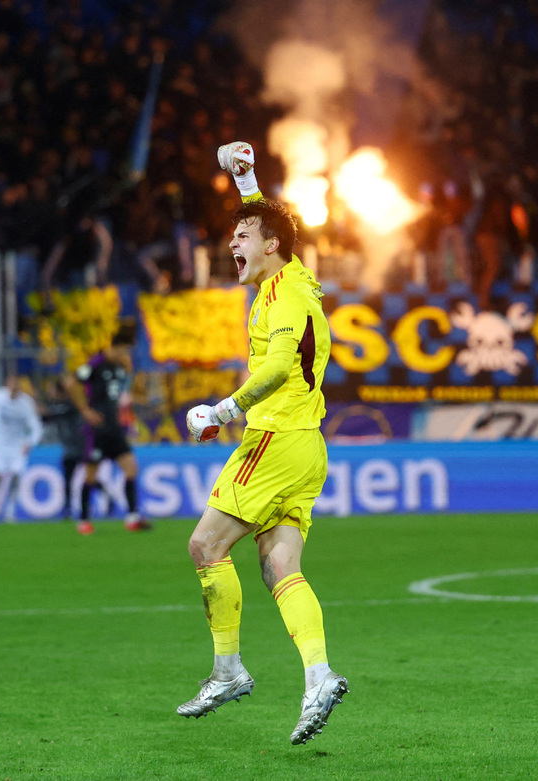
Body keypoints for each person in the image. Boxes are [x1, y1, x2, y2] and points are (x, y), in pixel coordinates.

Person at [177, 141, 347, 746]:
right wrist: (246, 181)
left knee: (205, 544)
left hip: (273, 439)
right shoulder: (295, 275)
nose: (232, 245)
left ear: (269, 247)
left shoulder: (284, 294)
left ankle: (228, 670)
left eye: (242, 237)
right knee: (280, 567)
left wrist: (223, 409)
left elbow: (276, 368)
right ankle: (319, 675)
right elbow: (278, 227)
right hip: (307, 445)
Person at [63, 324, 150, 535]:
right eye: (123, 351)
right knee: (91, 476)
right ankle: (83, 520)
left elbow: (123, 395)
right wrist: (85, 410)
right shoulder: (96, 363)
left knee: (131, 468)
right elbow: (70, 382)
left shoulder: (120, 368)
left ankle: (132, 517)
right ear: (113, 348)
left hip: (115, 428)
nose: (125, 355)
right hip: (98, 429)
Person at [0, 373, 43, 521]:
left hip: (17, 444)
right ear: (6, 385)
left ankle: (10, 511)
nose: (14, 389)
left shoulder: (26, 403)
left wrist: (30, 443)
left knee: (16, 476)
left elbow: (36, 427)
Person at [44, 378, 87, 521]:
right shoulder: (57, 406)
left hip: (80, 446)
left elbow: (52, 414)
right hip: (69, 448)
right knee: (68, 479)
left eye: (51, 390)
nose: (49, 392)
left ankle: (106, 496)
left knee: (87, 477)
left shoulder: (71, 404)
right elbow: (46, 417)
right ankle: (67, 508)